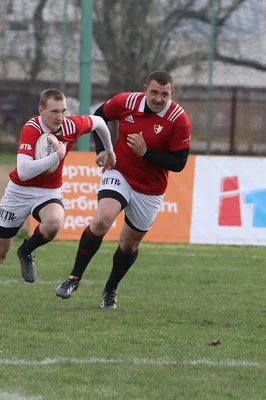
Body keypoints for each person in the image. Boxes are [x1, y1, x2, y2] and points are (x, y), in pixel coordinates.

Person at [0, 88, 116, 314]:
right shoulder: (32, 129)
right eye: (54, 111)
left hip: (49, 192)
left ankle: (26, 251)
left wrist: (109, 151)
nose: (60, 117)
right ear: (41, 110)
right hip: (18, 192)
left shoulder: (70, 125)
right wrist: (56, 155)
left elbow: (99, 122)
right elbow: (24, 171)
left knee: (54, 223)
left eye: (63, 111)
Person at [55, 70, 191, 309]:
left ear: (172, 93)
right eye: (154, 92)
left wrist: (146, 154)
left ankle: (110, 290)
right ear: (144, 89)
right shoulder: (126, 102)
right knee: (102, 220)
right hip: (119, 171)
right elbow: (99, 118)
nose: (159, 98)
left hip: (150, 188)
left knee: (129, 245)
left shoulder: (179, 119)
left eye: (165, 94)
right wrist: (103, 149)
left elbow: (179, 163)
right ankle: (73, 278)